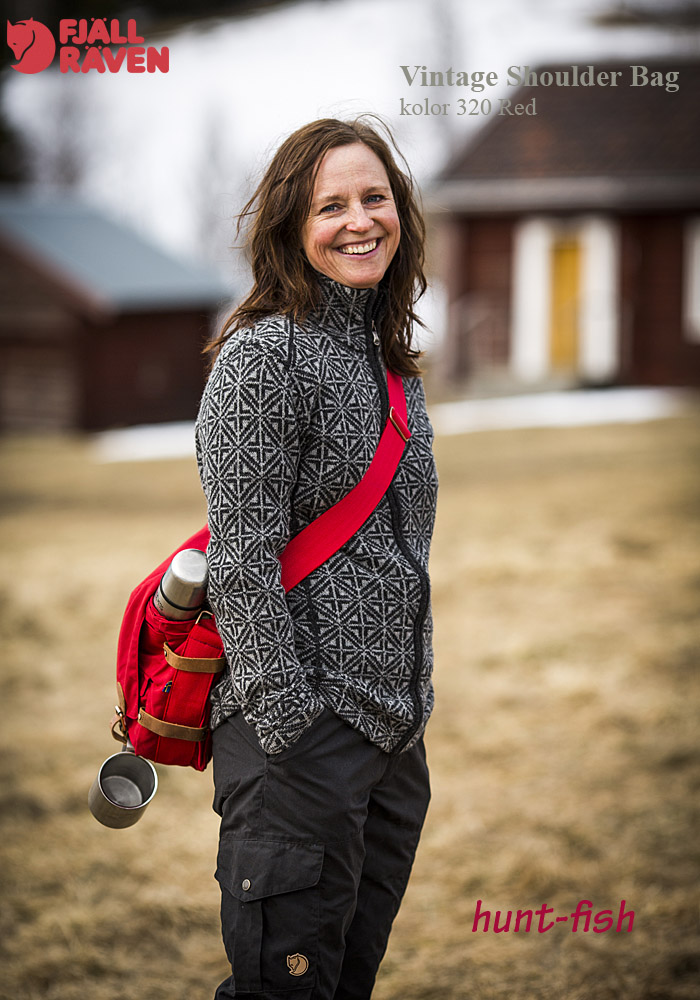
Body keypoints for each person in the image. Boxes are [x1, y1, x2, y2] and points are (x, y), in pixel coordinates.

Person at [195, 116, 439, 1000]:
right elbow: (242, 561)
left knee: (343, 986)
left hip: (391, 740)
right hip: (300, 745)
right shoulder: (264, 358)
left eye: (375, 197)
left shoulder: (390, 361)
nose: (358, 220)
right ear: (292, 227)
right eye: (331, 206)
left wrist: (406, 713)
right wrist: (291, 726)